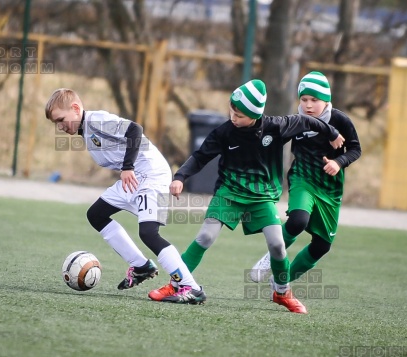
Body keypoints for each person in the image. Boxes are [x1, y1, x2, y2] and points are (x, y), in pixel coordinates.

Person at [148, 79, 345, 314]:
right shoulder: (224, 132)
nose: (234, 117)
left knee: (277, 245)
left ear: (255, 115)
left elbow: (306, 120)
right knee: (205, 237)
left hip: (262, 197)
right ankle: (177, 284)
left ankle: (282, 292)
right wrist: (180, 177)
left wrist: (332, 131)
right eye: (232, 110)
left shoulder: (276, 127)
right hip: (229, 193)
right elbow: (200, 156)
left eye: (240, 115)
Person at [44, 88, 206, 304]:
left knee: (149, 233)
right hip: (134, 178)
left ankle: (190, 287)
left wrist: (127, 167)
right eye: (56, 123)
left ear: (75, 109)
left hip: (151, 174)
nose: (60, 127)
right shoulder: (85, 131)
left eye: (61, 120)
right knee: (96, 215)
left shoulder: (97, 120)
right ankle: (141, 266)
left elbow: (134, 130)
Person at [249, 71, 361, 287]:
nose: (308, 105)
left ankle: (282, 280)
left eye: (314, 100)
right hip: (303, 178)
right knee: (298, 220)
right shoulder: (297, 120)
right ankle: (271, 257)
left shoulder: (340, 120)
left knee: (322, 245)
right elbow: (275, 142)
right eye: (304, 99)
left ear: (326, 100)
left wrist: (338, 162)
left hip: (330, 189)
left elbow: (356, 149)